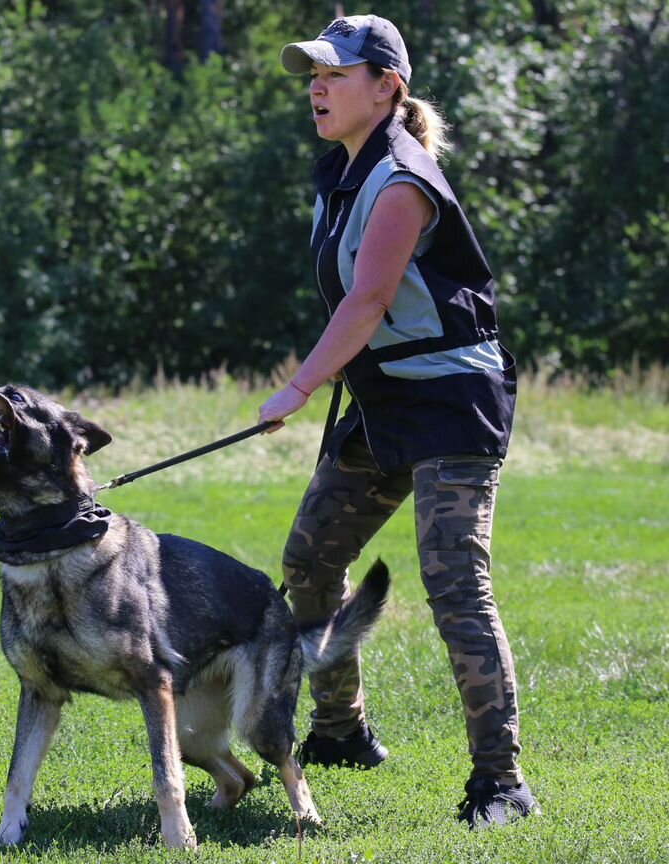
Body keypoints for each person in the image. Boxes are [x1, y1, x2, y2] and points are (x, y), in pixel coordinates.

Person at [258, 14, 539, 828]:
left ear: (388, 87)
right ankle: (342, 733)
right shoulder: (340, 176)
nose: (316, 86)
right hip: (385, 402)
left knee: (455, 584)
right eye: (312, 74)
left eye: (335, 74)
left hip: (452, 403)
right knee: (310, 560)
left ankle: (501, 784)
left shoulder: (403, 178)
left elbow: (370, 300)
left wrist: (300, 387)